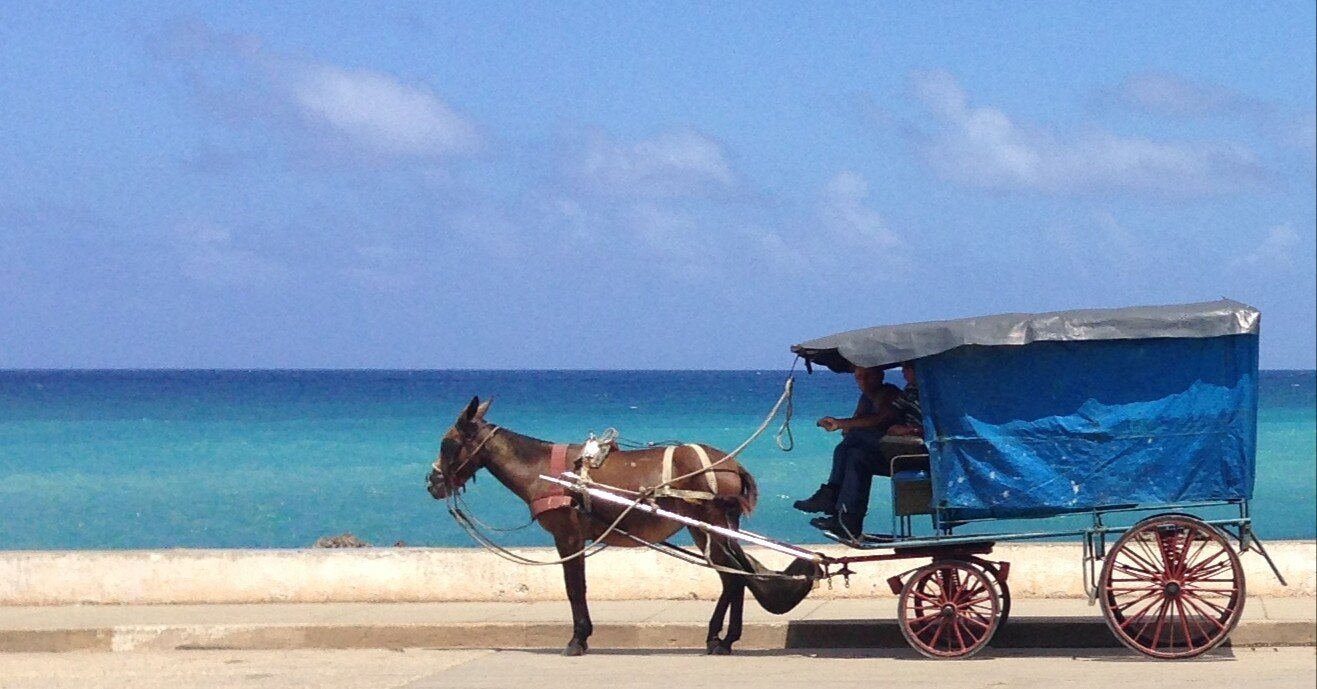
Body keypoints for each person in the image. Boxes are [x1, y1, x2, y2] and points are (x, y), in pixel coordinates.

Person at [795, 361, 924, 540]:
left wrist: (842, 424)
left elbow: (881, 419)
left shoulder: (901, 393)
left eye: (909, 368)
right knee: (856, 456)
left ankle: (831, 495)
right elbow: (882, 419)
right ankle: (848, 520)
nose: (904, 372)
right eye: (859, 377)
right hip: (899, 446)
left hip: (916, 451)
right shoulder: (909, 392)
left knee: (855, 437)